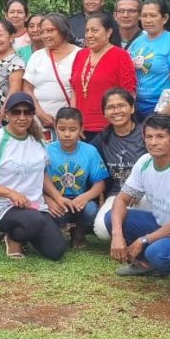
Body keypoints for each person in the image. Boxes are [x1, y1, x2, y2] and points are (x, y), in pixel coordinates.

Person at [106, 114, 170, 291]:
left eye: (160, 137)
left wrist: (142, 240)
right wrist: (117, 235)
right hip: (162, 225)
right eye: (149, 137)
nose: (153, 142)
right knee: (111, 219)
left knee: (156, 252)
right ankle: (148, 265)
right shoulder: (145, 161)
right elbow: (121, 199)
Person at [0, 92, 67, 261]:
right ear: (6, 114)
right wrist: (10, 193)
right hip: (4, 207)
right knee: (34, 221)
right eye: (16, 112)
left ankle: (23, 234)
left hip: (35, 206)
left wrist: (56, 197)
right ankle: (13, 238)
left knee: (56, 251)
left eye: (27, 112)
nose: (22, 117)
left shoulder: (38, 140)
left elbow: (41, 174)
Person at [46, 107, 109, 250]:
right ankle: (55, 230)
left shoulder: (90, 151)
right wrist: (50, 200)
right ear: (55, 128)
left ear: (81, 129)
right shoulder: (47, 150)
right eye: (62, 129)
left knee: (91, 210)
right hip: (56, 200)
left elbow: (100, 184)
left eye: (73, 129)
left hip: (79, 201)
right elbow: (39, 180)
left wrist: (85, 197)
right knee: (48, 217)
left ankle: (78, 229)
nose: (67, 134)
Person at [73, 12, 138, 139]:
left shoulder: (120, 56)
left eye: (94, 30)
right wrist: (75, 122)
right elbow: (75, 91)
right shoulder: (81, 55)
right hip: (82, 127)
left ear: (108, 33)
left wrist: (119, 123)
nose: (89, 35)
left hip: (110, 127)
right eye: (87, 31)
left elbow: (129, 94)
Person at [23, 13, 78, 135]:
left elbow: (80, 90)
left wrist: (72, 118)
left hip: (70, 124)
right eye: (43, 32)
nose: (45, 35)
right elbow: (27, 89)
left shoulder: (80, 55)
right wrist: (40, 113)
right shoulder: (37, 56)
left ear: (63, 30)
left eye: (50, 31)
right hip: (39, 123)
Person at [130, 0, 170, 118]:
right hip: (135, 106)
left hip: (160, 107)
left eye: (153, 15)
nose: (148, 20)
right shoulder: (136, 42)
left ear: (164, 18)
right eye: (144, 15)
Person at [89, 88, 146, 195]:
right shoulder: (102, 139)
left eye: (121, 106)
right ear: (104, 113)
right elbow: (84, 155)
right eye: (110, 107)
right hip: (115, 196)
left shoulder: (146, 135)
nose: (116, 111)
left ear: (132, 108)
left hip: (144, 195)